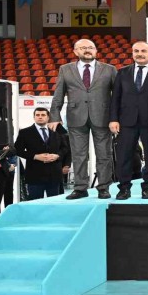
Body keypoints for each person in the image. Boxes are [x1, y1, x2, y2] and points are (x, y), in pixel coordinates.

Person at [48, 38, 116, 199]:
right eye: (83, 47)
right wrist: (54, 116)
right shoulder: (65, 69)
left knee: (104, 154)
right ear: (75, 51)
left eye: (91, 47)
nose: (87, 50)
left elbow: (118, 96)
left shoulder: (110, 69)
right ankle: (80, 188)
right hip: (75, 117)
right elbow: (58, 94)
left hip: (103, 117)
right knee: (79, 155)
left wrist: (116, 118)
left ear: (96, 50)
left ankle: (104, 187)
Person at [109, 41, 148, 200]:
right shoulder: (122, 72)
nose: (139, 54)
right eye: (136, 51)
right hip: (126, 122)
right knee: (124, 156)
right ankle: (124, 188)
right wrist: (113, 119)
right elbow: (115, 98)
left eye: (143, 51)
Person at [13, 108, 70, 200]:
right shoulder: (25, 132)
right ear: (34, 117)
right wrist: (35, 156)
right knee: (34, 204)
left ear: (48, 117)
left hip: (54, 175)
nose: (40, 117)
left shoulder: (57, 131)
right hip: (35, 175)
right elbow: (17, 150)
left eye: (43, 115)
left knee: (55, 203)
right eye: (37, 115)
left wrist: (57, 156)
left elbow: (65, 148)